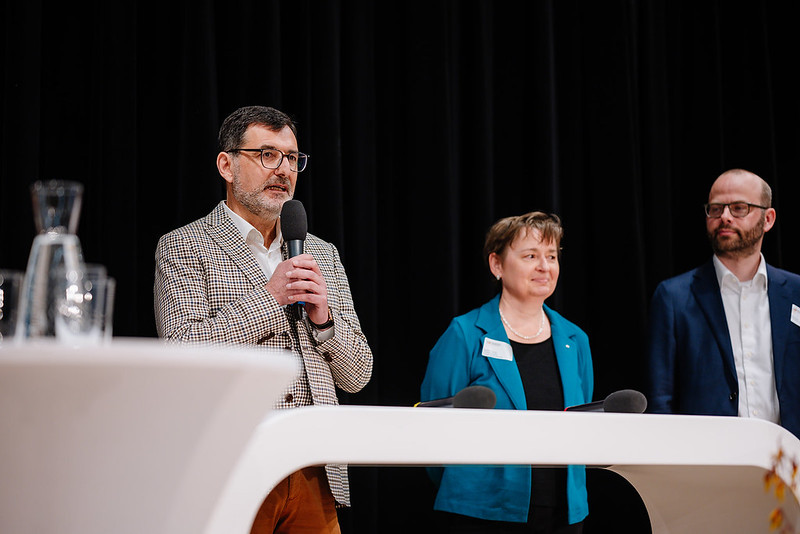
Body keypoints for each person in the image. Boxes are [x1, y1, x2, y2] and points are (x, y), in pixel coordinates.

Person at [154, 105, 373, 533]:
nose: (283, 170)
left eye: (292, 158)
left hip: (314, 469)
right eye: (267, 155)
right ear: (227, 165)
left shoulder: (322, 253)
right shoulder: (185, 245)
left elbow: (359, 375)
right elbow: (183, 351)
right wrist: (269, 299)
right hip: (230, 466)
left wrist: (324, 321)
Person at [420, 212, 593, 533]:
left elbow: (582, 423)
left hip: (563, 512)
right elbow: (431, 427)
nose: (544, 267)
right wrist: (468, 490)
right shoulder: (465, 334)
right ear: (496, 265)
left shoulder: (575, 339)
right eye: (530, 256)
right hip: (481, 511)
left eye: (551, 256)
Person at [646, 168, 800, 438]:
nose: (725, 217)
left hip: (788, 457)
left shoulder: (796, 292)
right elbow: (660, 401)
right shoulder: (674, 298)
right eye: (716, 209)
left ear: (768, 219)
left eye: (739, 208)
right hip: (708, 457)